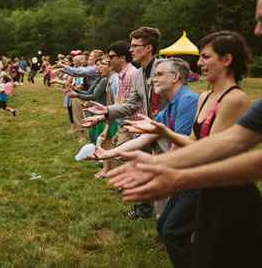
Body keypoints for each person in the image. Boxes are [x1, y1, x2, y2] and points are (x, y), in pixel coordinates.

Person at [107, 31, 258, 268]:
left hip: (227, 189)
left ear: (226, 60)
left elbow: (214, 151)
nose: (199, 63)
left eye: (206, 57)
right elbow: (194, 141)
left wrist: (166, 166)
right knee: (178, 235)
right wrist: (162, 143)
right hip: (205, 182)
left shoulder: (234, 99)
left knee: (216, 251)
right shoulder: (205, 96)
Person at [95, 58, 199, 268]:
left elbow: (182, 146)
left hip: (196, 177)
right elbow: (145, 137)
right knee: (165, 227)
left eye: (159, 74)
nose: (153, 80)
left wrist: (154, 171)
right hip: (182, 175)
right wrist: (107, 154)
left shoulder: (188, 100)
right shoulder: (170, 106)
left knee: (173, 231)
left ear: (176, 77)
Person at [84, 27, 165, 220]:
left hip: (164, 131)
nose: (131, 50)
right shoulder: (139, 74)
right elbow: (131, 104)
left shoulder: (163, 69)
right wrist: (105, 112)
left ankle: (167, 220)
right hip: (144, 130)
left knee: (163, 174)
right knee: (142, 168)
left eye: (135, 46)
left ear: (149, 48)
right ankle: (147, 211)